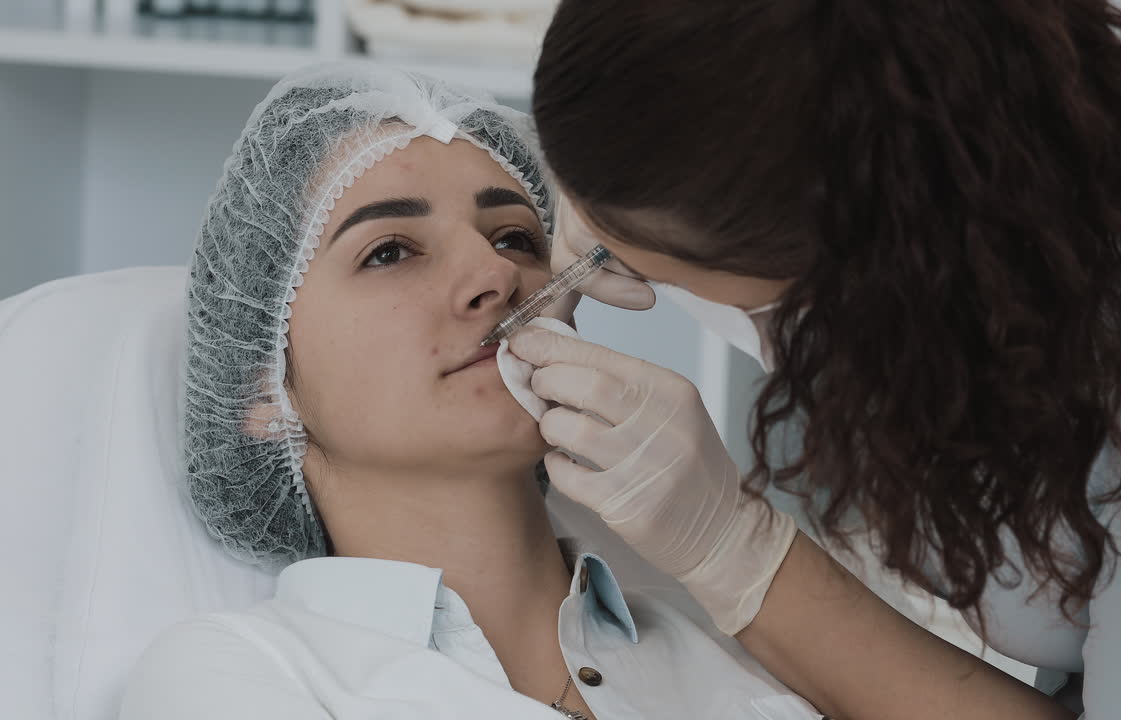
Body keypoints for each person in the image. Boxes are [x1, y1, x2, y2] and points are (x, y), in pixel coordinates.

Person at [506, 0, 1121, 717]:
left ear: (870, 266)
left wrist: (737, 554)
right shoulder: (925, 59)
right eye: (389, 253)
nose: (494, 282)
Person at [119, 63, 821, 720]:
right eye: (390, 251)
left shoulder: (741, 647)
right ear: (264, 391)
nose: (495, 275)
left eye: (516, 238)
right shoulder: (233, 675)